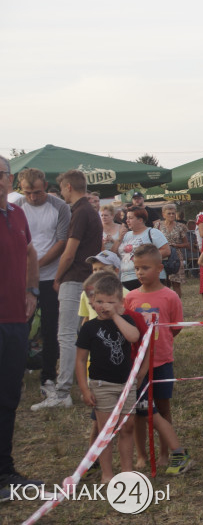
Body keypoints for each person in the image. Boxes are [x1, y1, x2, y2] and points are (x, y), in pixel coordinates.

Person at [34, 169, 102, 411]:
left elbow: (69, 252)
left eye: (61, 187)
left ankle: (62, 392)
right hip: (87, 278)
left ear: (68, 188)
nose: (61, 191)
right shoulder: (90, 211)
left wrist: (58, 276)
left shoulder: (80, 212)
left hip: (74, 278)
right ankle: (77, 384)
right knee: (80, 333)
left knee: (66, 335)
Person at [73, 272, 145, 483]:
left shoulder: (126, 320)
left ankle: (127, 471)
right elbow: (79, 360)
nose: (104, 306)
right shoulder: (89, 327)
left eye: (110, 302)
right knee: (106, 431)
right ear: (92, 302)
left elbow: (134, 337)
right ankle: (107, 473)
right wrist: (85, 389)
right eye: (99, 301)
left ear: (121, 302)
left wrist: (116, 315)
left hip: (126, 384)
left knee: (128, 427)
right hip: (102, 385)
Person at [0, 154, 42, 498]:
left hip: (14, 319)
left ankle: (4, 473)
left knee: (8, 396)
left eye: (0, 174)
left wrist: (31, 290)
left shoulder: (16, 214)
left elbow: (30, 252)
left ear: (10, 179)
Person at [124, 243, 187, 469]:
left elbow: (175, 328)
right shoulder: (130, 298)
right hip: (137, 365)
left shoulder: (170, 297)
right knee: (140, 411)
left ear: (160, 268)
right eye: (137, 268)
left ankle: (164, 453)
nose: (140, 273)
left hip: (162, 362)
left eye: (146, 268)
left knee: (162, 408)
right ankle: (141, 455)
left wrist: (162, 344)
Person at [14, 168, 70, 402]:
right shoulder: (16, 206)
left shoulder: (60, 207)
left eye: (37, 192)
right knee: (19, 328)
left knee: (50, 328)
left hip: (50, 276)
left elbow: (61, 241)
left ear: (45, 186)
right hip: (22, 278)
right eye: (28, 193)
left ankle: (48, 375)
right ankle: (15, 373)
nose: (33, 197)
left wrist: (35, 264)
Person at [117, 207, 170, 291]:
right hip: (126, 278)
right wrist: (119, 238)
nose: (127, 221)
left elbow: (166, 251)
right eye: (127, 218)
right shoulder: (126, 235)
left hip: (148, 278)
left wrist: (144, 260)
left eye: (130, 218)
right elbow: (117, 253)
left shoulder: (152, 232)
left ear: (140, 220)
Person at [155, 203, 188, 297]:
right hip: (163, 255)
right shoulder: (158, 226)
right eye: (169, 213)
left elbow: (186, 244)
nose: (171, 215)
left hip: (176, 256)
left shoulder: (180, 226)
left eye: (173, 213)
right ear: (163, 214)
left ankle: (177, 305)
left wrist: (176, 245)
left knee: (176, 283)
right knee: (164, 283)